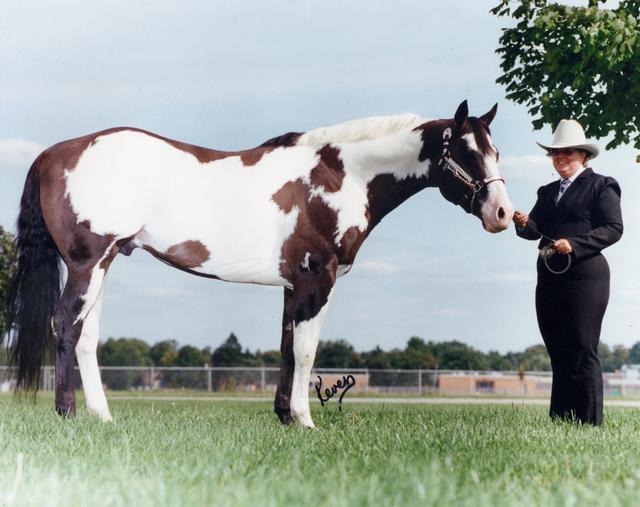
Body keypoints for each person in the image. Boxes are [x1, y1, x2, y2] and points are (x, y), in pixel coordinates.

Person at [513, 119, 623, 426]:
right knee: (557, 349)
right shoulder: (548, 191)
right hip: (549, 276)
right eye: (555, 152)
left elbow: (614, 228)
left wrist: (575, 244)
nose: (560, 157)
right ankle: (561, 421)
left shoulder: (602, 185)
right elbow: (533, 232)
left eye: (568, 151)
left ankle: (588, 423)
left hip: (586, 276)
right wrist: (523, 223)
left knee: (582, 347)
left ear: (583, 155)